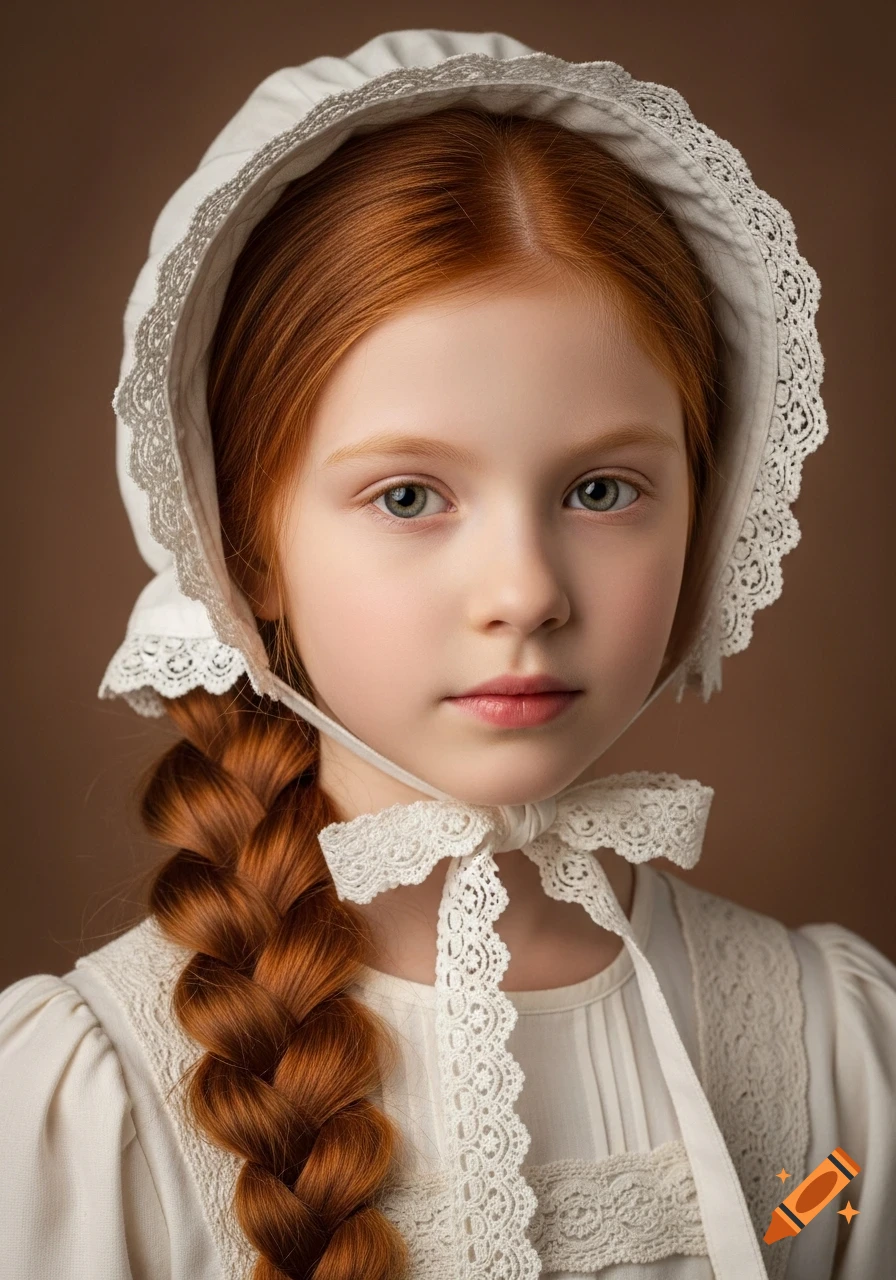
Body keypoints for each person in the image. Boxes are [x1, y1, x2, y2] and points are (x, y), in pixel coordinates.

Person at [0, 27, 893, 1280]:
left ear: (711, 504)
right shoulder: (86, 1108)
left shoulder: (832, 1054)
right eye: (409, 496)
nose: (524, 592)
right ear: (241, 548)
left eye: (599, 487)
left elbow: (828, 1218)